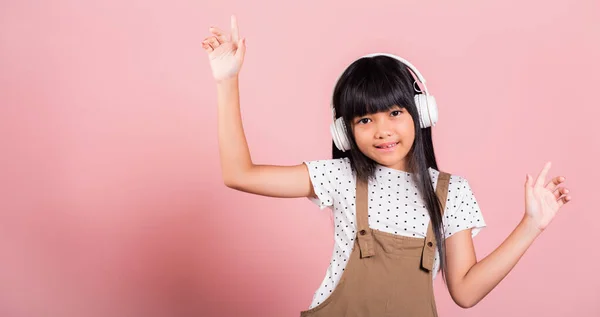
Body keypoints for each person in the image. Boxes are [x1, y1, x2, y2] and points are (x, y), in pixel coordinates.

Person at [201, 15, 572, 317]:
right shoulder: (340, 176)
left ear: (421, 113)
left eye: (395, 113)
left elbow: (467, 292)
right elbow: (239, 174)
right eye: (365, 120)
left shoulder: (451, 192)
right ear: (345, 132)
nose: (382, 131)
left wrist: (531, 226)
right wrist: (227, 81)